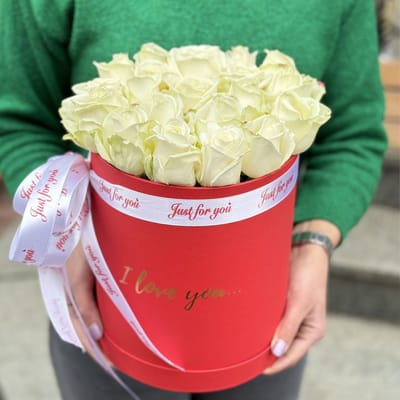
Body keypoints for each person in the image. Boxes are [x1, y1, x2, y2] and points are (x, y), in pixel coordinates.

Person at [0, 1, 387, 399]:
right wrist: (63, 234)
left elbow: (353, 135)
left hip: (262, 307)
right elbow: (19, 121)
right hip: (104, 297)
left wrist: (314, 242)